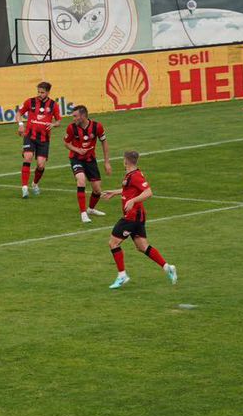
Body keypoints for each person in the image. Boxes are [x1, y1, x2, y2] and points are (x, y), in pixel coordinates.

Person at [100, 150, 177, 289]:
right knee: (142, 246)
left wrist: (133, 201)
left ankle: (122, 275)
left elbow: (149, 192)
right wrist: (115, 193)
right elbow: (129, 189)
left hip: (131, 217)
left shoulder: (135, 176)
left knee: (113, 243)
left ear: (126, 161)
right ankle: (168, 267)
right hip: (138, 216)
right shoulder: (132, 174)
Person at [63, 105, 112, 224]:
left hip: (90, 160)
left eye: (75, 116)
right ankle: (83, 213)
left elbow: (104, 143)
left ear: (83, 116)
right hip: (76, 159)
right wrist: (77, 150)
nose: (73, 118)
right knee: (81, 180)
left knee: (97, 190)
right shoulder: (71, 128)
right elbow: (66, 143)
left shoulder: (97, 126)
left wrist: (107, 162)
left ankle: (91, 209)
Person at [17, 81, 61, 198]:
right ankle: (24, 188)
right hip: (29, 136)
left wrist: (53, 124)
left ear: (48, 92)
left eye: (42, 92)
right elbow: (19, 113)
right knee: (28, 157)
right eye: (38, 92)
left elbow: (58, 121)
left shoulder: (53, 105)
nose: (40, 94)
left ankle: (35, 183)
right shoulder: (30, 101)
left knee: (41, 165)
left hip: (44, 139)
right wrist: (20, 124)